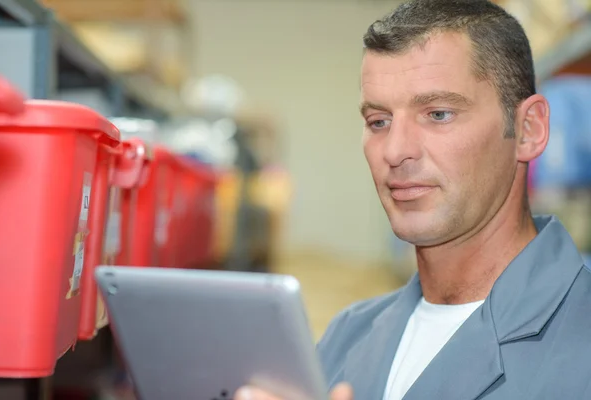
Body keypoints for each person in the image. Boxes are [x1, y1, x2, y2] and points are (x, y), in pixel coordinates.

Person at [235, 0, 591, 399]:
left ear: (528, 129)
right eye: (379, 122)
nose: (394, 150)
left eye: (438, 114)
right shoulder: (345, 336)